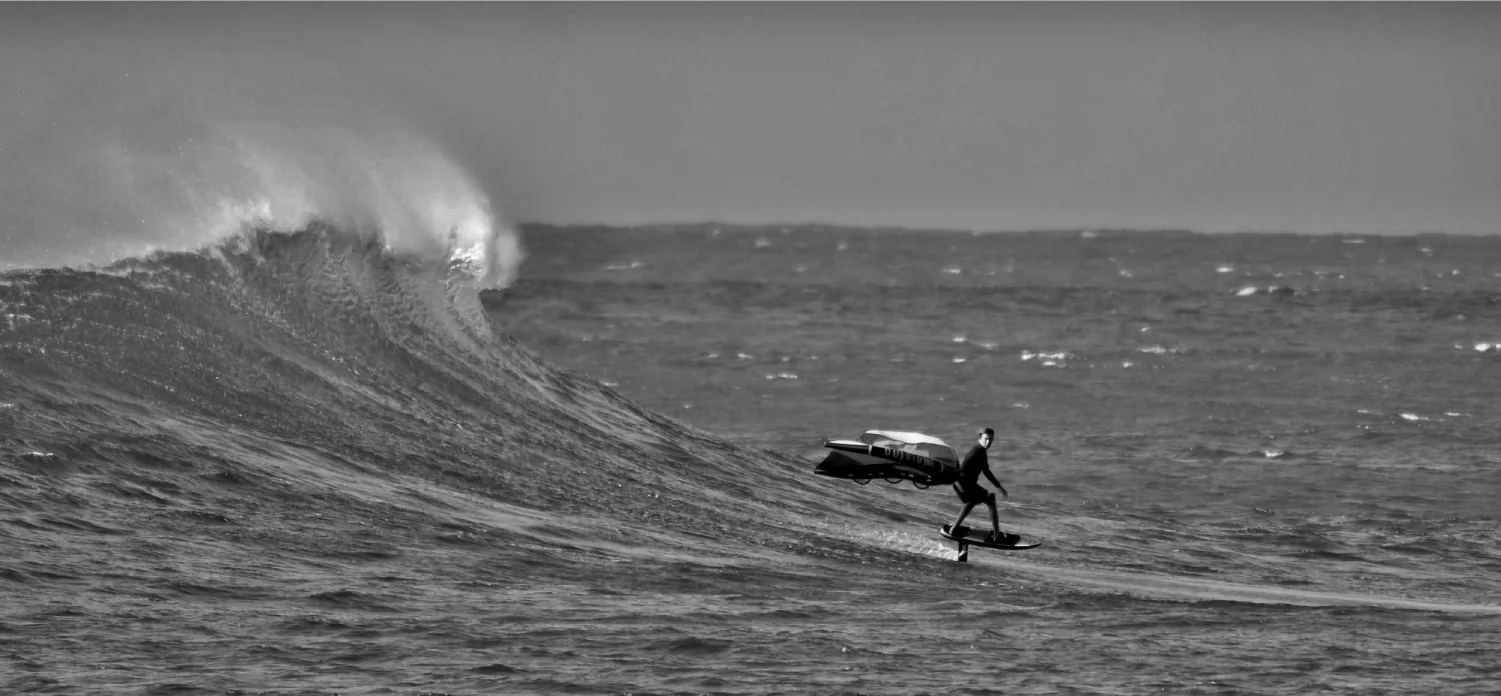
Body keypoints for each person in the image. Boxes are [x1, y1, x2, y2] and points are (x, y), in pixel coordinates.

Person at [943, 427, 1012, 544]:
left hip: (961, 484)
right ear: (980, 438)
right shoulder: (978, 451)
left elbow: (985, 471)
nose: (988, 442)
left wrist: (998, 487)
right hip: (964, 484)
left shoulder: (980, 451)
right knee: (991, 500)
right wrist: (999, 488)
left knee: (973, 501)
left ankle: (954, 529)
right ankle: (996, 537)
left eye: (991, 440)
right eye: (986, 439)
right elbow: (981, 471)